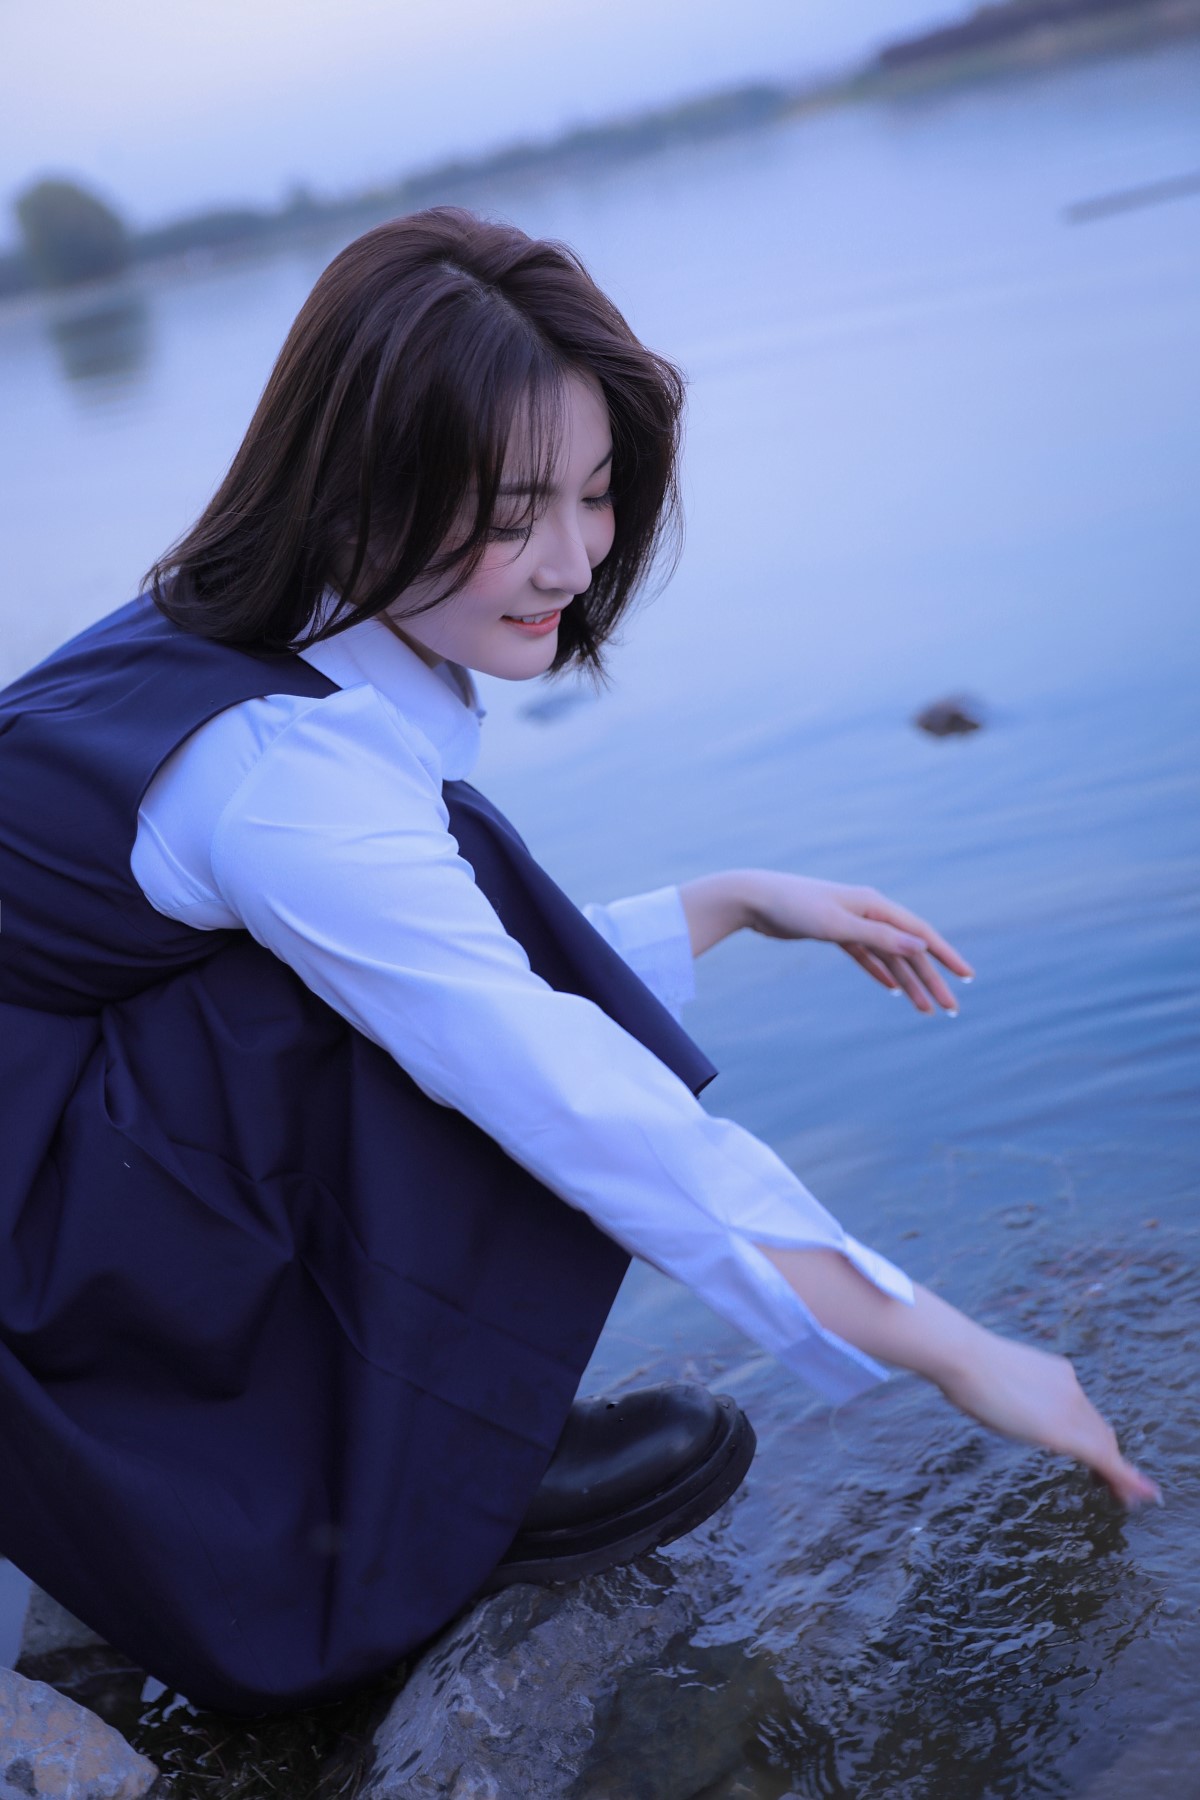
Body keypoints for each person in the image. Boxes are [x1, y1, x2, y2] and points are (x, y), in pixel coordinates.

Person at [0, 207, 1157, 1719]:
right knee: (384, 977)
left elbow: (429, 957)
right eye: (509, 511)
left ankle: (366, 1446)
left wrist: (728, 901)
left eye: (598, 494)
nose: (569, 558)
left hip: (55, 1140)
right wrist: (944, 1345)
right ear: (357, 489)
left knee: (411, 924)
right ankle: (388, 1496)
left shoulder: (254, 628)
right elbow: (547, 1076)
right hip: (33, 1230)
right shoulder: (281, 767)